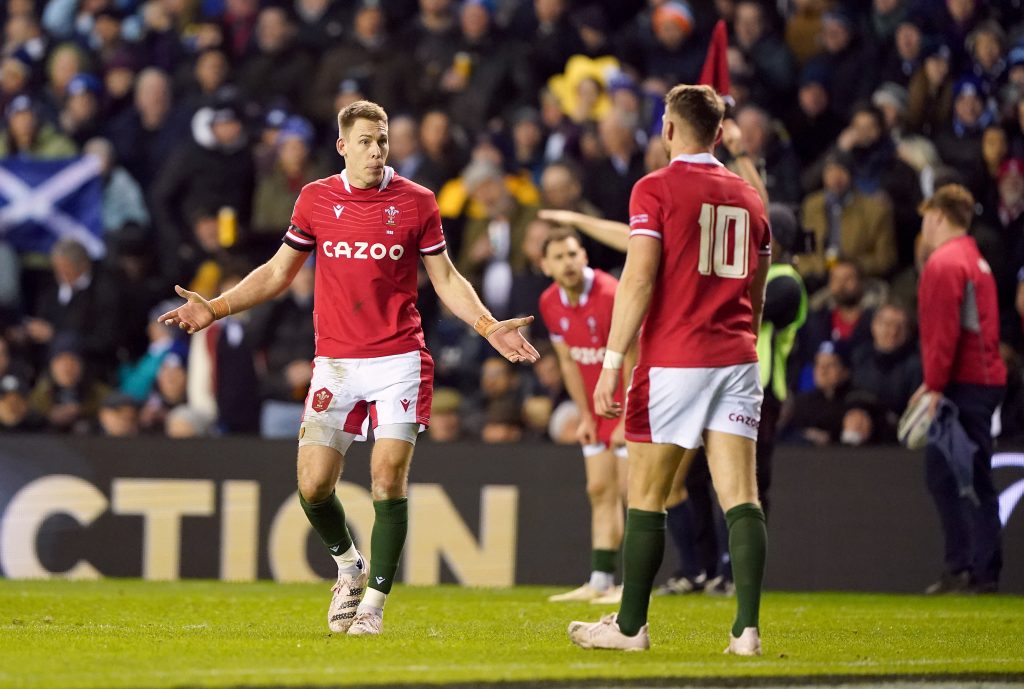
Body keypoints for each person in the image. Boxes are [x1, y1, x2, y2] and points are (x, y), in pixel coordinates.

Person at [159, 100, 539, 637]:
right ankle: (349, 565)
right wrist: (216, 308)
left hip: (400, 358)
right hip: (336, 363)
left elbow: (448, 278)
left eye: (382, 139)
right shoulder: (315, 199)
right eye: (365, 140)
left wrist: (486, 324)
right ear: (342, 146)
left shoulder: (417, 202)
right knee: (313, 487)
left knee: (387, 476)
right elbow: (277, 273)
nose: (376, 149)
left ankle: (374, 607)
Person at [566, 84, 771, 655]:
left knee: (647, 495)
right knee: (741, 496)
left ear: (670, 130)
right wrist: (742, 335)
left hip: (676, 359)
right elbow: (757, 286)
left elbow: (638, 278)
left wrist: (611, 362)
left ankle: (630, 627)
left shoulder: (655, 187)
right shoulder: (751, 198)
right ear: (720, 132)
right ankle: (746, 631)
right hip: (736, 358)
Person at [911, 184, 1006, 594]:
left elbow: (942, 333)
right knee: (959, 474)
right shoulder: (973, 259)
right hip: (980, 380)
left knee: (959, 476)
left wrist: (934, 387)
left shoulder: (944, 263)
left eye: (926, 218)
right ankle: (970, 566)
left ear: (937, 216)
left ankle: (973, 568)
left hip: (962, 385)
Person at [540, 227, 631, 605]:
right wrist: (586, 415)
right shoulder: (549, 302)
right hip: (597, 410)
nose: (569, 262)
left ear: (585, 257)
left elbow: (637, 354)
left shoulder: (612, 294)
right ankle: (600, 580)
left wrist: (629, 412)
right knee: (599, 490)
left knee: (633, 494)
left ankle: (634, 584)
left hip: (629, 405)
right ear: (545, 266)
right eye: (559, 257)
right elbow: (569, 361)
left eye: (573, 254)